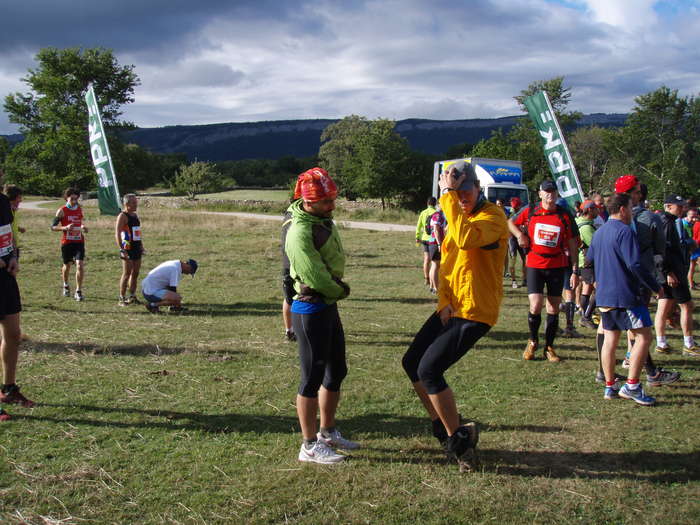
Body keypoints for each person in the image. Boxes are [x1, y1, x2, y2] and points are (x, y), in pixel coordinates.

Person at [402, 160, 509, 471]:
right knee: (412, 363)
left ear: (478, 188)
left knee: (430, 370)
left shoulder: (493, 217)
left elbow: (465, 240)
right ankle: (444, 426)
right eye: (457, 190)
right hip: (453, 306)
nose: (462, 196)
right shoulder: (458, 215)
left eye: (466, 189)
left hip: (476, 311)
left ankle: (459, 441)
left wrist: (447, 193)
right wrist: (444, 301)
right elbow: (449, 265)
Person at [285, 167, 357, 465]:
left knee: (336, 370)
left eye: (332, 199)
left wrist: (336, 291)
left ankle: (327, 432)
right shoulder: (300, 231)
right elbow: (314, 277)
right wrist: (340, 290)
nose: (332, 206)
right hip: (311, 308)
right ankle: (309, 445)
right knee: (311, 378)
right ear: (308, 202)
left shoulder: (322, 218)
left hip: (327, 304)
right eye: (326, 202)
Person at [586, 192, 662, 405]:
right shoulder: (625, 232)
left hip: (605, 296)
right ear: (622, 209)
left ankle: (610, 387)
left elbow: (589, 260)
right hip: (625, 295)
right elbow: (635, 264)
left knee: (610, 339)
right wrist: (656, 287)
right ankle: (632, 386)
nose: (632, 211)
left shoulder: (599, 233)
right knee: (644, 336)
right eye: (630, 207)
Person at [509, 181, 579, 362]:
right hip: (534, 264)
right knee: (535, 304)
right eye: (546, 192)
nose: (550, 195)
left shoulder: (564, 215)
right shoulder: (530, 210)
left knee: (553, 307)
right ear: (540, 194)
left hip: (556, 265)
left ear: (557, 194)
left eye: (553, 192)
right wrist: (519, 235)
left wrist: (575, 268)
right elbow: (510, 222)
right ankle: (532, 341)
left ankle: (549, 346)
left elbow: (572, 242)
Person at [0, 169, 33, 422]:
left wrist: (14, 258)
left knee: (13, 334)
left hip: (5, 277)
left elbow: (9, 236)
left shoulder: (3, 203)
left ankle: (9, 389)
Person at [655, 195, 698, 357]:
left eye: (682, 206)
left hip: (668, 271)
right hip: (672, 273)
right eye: (678, 206)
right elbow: (661, 250)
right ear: (668, 206)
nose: (682, 209)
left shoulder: (668, 221)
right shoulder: (667, 223)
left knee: (664, 307)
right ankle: (688, 344)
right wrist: (668, 272)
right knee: (687, 305)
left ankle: (661, 343)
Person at [51, 188, 88, 301]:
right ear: (66, 197)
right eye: (72, 199)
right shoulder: (61, 210)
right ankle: (66, 285)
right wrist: (65, 227)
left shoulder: (79, 208)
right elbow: (52, 227)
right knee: (67, 265)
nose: (74, 201)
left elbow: (79, 223)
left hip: (79, 241)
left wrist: (83, 227)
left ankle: (78, 291)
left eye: (76, 199)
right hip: (67, 242)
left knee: (79, 265)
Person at [115, 194, 145, 306]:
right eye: (133, 203)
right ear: (126, 204)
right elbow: (117, 233)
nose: (136, 204)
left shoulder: (135, 215)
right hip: (127, 248)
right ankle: (121, 298)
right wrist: (122, 249)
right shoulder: (122, 216)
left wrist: (141, 245)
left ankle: (132, 296)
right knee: (127, 273)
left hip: (137, 248)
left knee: (135, 273)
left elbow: (137, 231)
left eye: (136, 202)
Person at [575, 200, 598, 329]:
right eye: (596, 208)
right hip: (588, 262)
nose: (598, 211)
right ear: (589, 210)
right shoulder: (586, 227)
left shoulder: (582, 223)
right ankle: (587, 316)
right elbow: (596, 246)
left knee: (587, 289)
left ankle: (584, 315)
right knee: (600, 289)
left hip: (584, 261)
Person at [280, 208, 296, 341]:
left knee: (289, 298)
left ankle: (290, 330)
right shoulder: (294, 217)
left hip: (288, 263)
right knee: (291, 298)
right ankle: (290, 331)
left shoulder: (288, 215)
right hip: (293, 263)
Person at [416, 197, 437, 288]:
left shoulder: (423, 213)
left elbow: (418, 226)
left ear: (427, 203)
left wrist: (417, 236)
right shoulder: (436, 213)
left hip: (424, 239)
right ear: (435, 204)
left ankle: (426, 278)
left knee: (426, 260)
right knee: (434, 262)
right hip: (433, 239)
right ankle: (433, 281)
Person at [427, 204, 446, 294]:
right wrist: (439, 244)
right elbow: (436, 229)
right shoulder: (438, 215)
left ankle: (432, 286)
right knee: (436, 265)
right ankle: (436, 288)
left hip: (432, 242)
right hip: (435, 243)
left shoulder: (437, 215)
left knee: (434, 264)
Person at [507, 196, 526, 288]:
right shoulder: (510, 213)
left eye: (516, 207)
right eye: (514, 207)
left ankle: (525, 279)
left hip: (520, 237)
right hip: (512, 238)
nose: (515, 208)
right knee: (513, 259)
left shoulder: (523, 211)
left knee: (525, 259)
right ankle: (514, 281)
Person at [684, 207, 700, 289]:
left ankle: (691, 285)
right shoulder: (683, 224)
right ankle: (690, 284)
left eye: (696, 217)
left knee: (691, 266)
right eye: (692, 217)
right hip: (692, 249)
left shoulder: (692, 224)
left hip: (693, 248)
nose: (694, 219)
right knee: (691, 267)